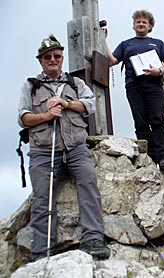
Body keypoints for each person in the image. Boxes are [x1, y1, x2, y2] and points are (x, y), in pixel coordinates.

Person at [18, 34, 110, 261]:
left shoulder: (75, 84)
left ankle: (93, 238)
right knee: (42, 198)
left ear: (62, 58)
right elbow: (24, 118)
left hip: (76, 147)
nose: (52, 59)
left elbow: (90, 105)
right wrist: (47, 115)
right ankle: (42, 251)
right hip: (43, 150)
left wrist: (66, 103)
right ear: (40, 60)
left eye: (57, 56)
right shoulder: (30, 87)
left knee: (88, 182)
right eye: (47, 56)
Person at [105, 10, 164, 170]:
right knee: (140, 122)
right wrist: (104, 40)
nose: (141, 24)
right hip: (133, 86)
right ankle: (148, 158)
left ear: (150, 26)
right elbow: (113, 60)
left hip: (154, 85)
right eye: (138, 22)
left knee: (157, 120)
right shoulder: (126, 44)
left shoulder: (158, 43)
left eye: (144, 22)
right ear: (134, 25)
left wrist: (160, 71)